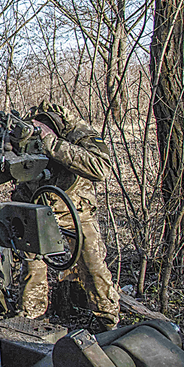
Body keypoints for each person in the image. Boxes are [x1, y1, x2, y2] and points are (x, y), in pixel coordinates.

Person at [12, 101, 120, 331]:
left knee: (93, 268)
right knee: (33, 271)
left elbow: (100, 168)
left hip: (75, 211)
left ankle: (108, 322)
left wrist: (51, 144)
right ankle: (31, 325)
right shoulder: (23, 129)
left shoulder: (79, 133)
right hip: (35, 207)